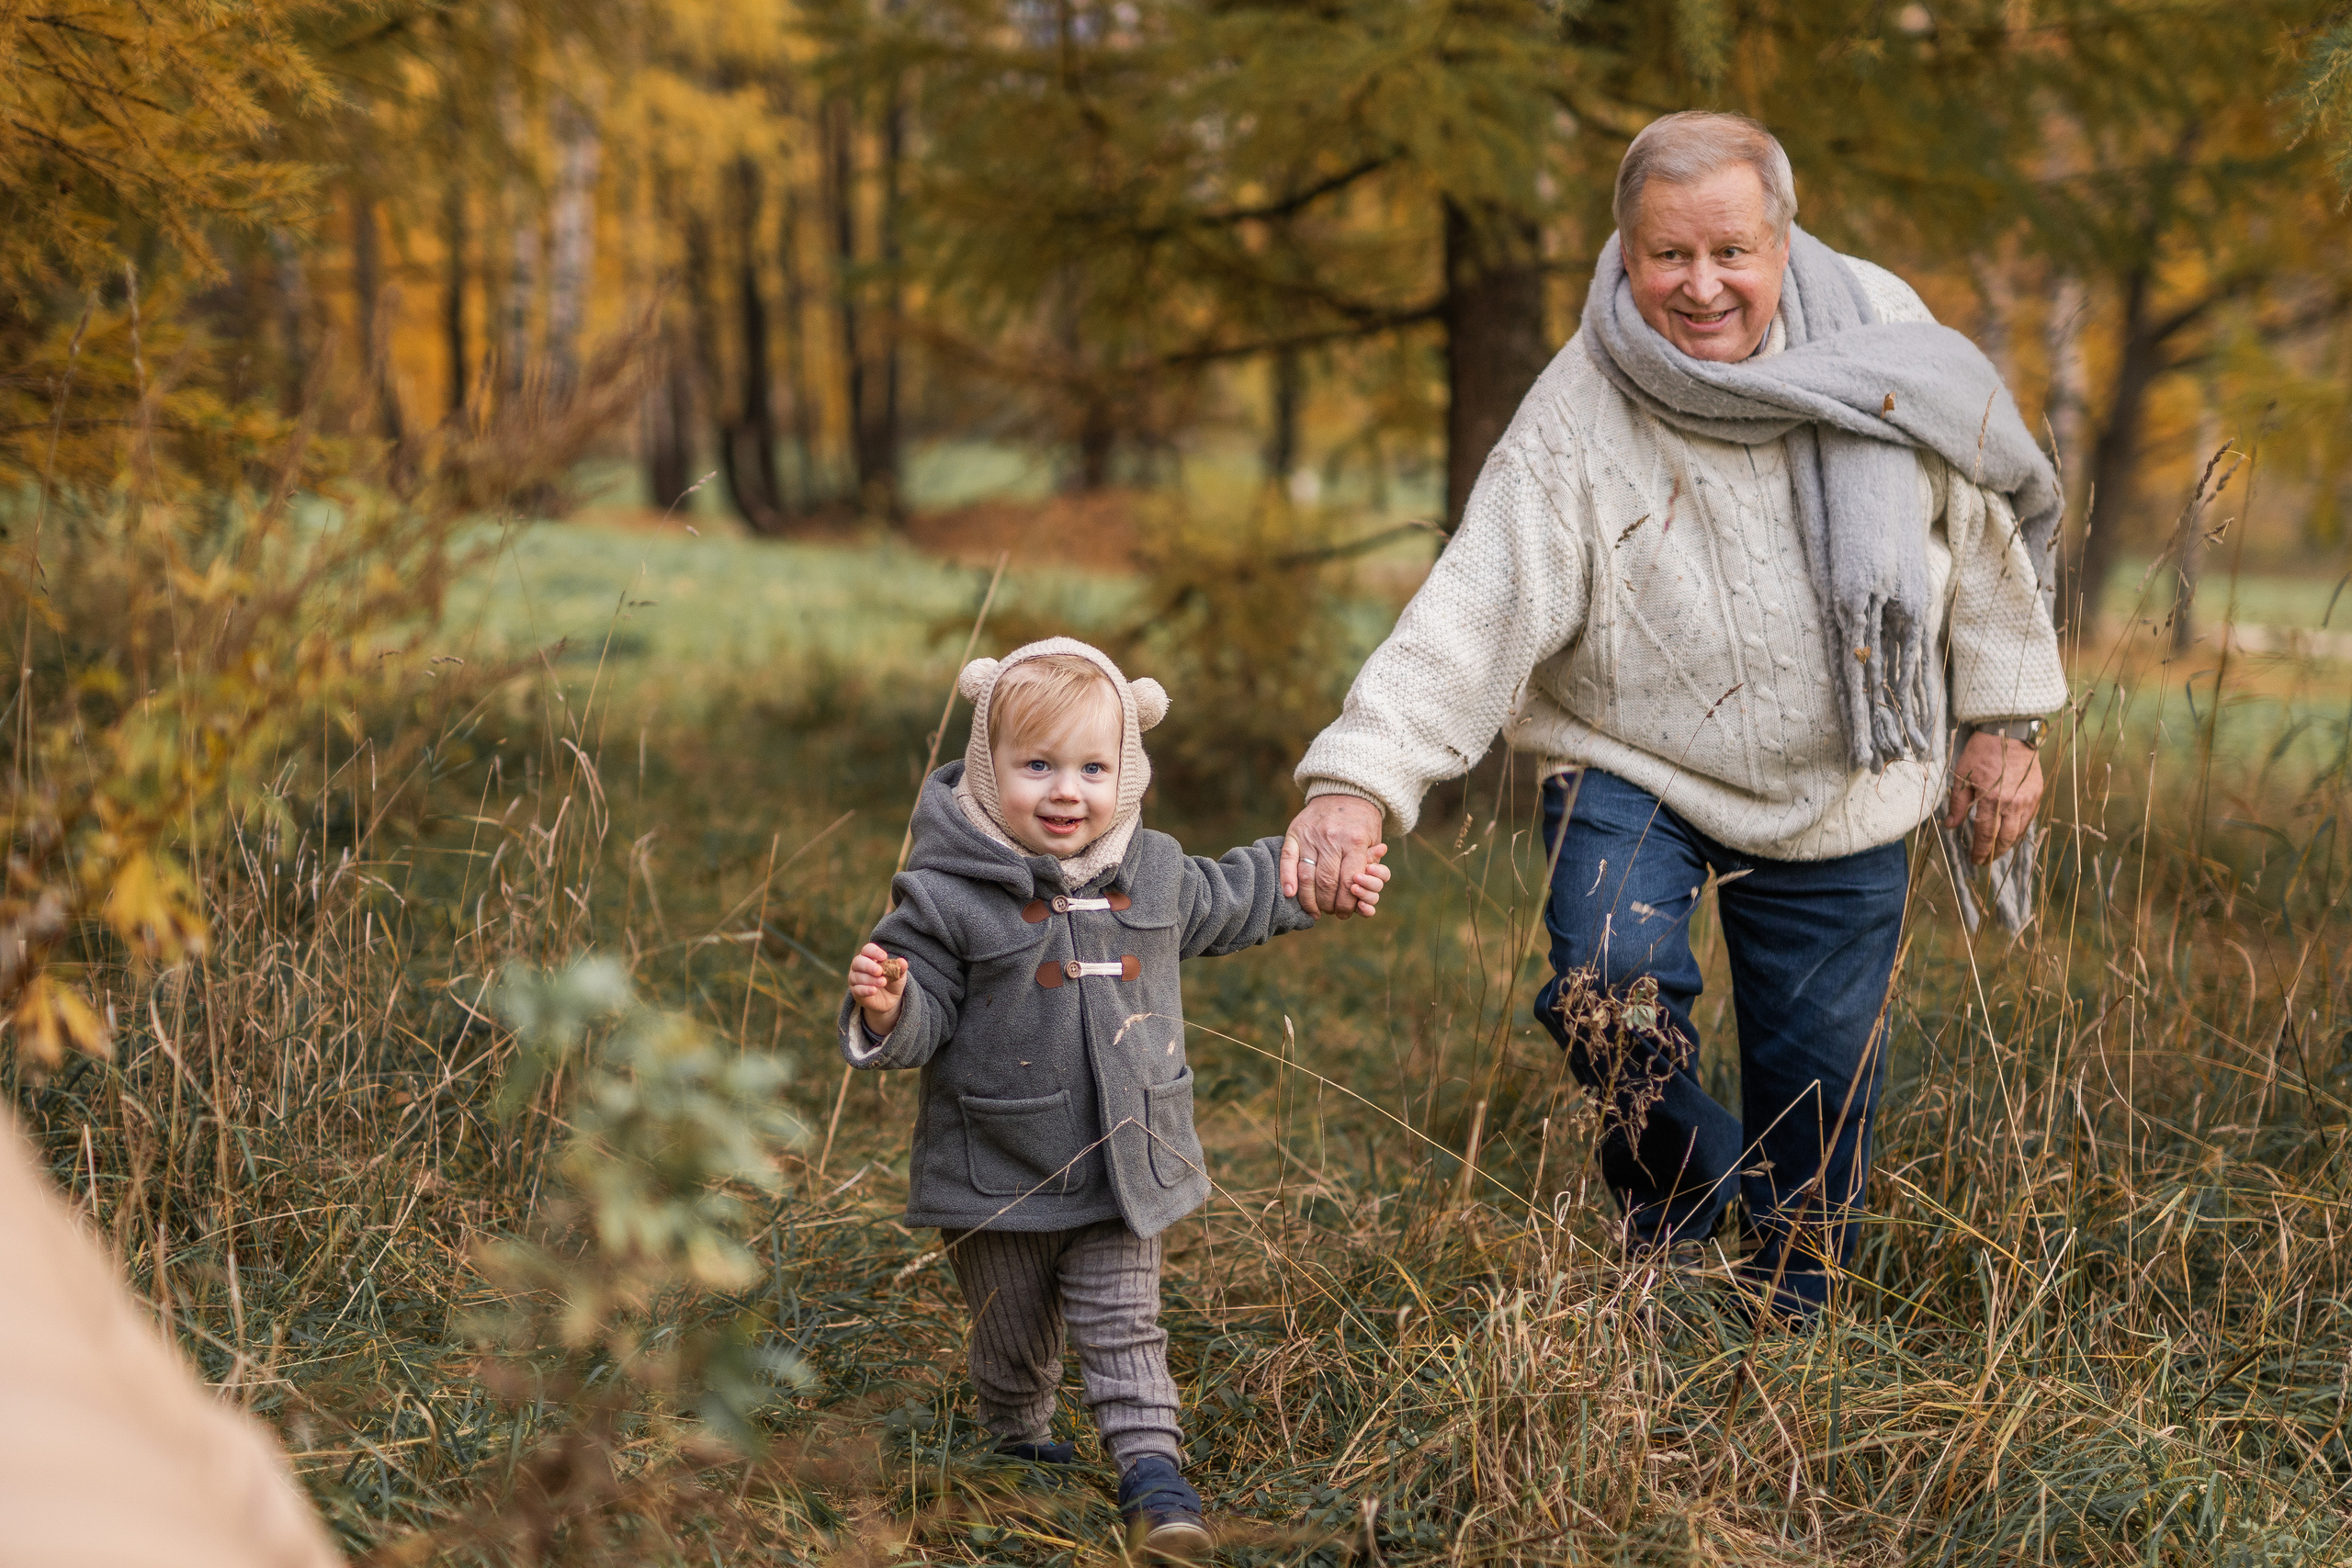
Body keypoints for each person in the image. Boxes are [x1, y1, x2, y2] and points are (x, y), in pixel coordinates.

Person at [1281, 111, 2066, 1315]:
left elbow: (1981, 532)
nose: (1700, 288)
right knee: (1608, 980)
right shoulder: (1583, 405)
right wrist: (1359, 776)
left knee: (1821, 1080)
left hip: (1847, 773)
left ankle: (1792, 1315)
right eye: (1667, 257)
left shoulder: (1883, 339)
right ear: (1625, 247)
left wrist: (2005, 723)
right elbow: (1475, 601)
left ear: (1784, 237)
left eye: (1731, 254)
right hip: (1628, 754)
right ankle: (1683, 1213)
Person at [841, 637, 1389, 1556]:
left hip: (1123, 1158)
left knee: (1124, 1327)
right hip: (998, 1173)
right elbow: (925, 1016)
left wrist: (1315, 884)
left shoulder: (1156, 872)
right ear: (986, 772)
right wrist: (894, 1005)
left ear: (1126, 772)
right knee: (1012, 1343)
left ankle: (1155, 1481)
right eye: (1038, 766)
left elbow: (1240, 892)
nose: (1067, 791)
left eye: (1093, 767)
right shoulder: (943, 894)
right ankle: (1018, 1448)